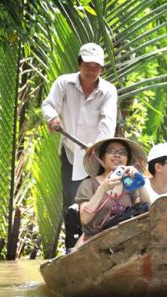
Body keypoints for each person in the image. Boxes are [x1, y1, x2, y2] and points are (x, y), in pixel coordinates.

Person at [41, 43, 118, 250]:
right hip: (70, 153)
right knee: (73, 205)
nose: (92, 70)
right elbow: (49, 104)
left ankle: (101, 247)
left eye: (96, 67)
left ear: (101, 69)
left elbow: (108, 122)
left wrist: (97, 144)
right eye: (88, 65)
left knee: (101, 201)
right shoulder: (64, 84)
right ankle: (71, 250)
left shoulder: (108, 91)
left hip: (97, 157)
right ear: (79, 64)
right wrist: (53, 118)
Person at [75, 138, 149, 246]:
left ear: (127, 160)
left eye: (122, 153)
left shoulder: (129, 186)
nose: (117, 155)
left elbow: (146, 211)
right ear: (102, 157)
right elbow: (85, 219)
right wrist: (103, 188)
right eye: (111, 151)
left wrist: (139, 182)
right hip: (92, 245)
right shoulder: (89, 184)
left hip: (123, 243)